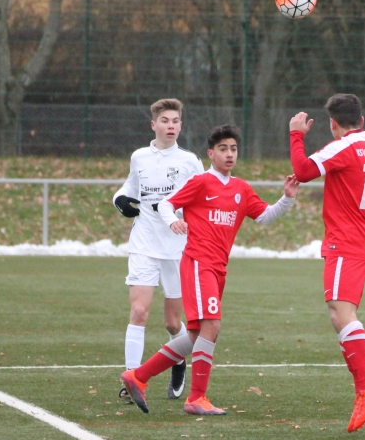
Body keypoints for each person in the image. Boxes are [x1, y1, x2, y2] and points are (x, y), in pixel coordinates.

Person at [121, 125, 299, 415]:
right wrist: (173, 222)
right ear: (211, 154)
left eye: (233, 149)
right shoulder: (201, 182)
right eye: (223, 149)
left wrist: (287, 198)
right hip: (198, 263)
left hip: (218, 269)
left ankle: (138, 377)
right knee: (212, 326)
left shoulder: (241, 188)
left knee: (195, 335)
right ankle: (196, 398)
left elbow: (265, 217)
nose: (229, 154)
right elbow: (166, 204)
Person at [289, 94, 365, 433]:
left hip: (345, 240)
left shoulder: (342, 146)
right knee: (340, 313)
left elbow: (303, 171)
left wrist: (296, 134)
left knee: (341, 314)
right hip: (361, 238)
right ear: (361, 120)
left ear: (333, 124)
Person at [113, 99, 204, 403]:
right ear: (154, 125)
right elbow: (129, 188)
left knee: (172, 323)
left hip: (177, 249)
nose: (170, 126)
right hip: (144, 244)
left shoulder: (190, 161)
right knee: (139, 312)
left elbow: (201, 198)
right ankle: (132, 379)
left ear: (181, 125)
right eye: (165, 120)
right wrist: (120, 200)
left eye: (175, 121)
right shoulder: (139, 157)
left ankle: (178, 360)